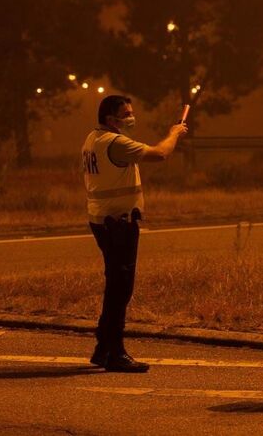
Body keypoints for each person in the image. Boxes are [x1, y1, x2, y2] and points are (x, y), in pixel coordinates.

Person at [82, 95, 188, 372]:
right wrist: (174, 133)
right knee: (121, 288)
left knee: (114, 285)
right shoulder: (115, 143)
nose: (131, 117)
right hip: (118, 223)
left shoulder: (92, 139)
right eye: (126, 114)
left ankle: (103, 348)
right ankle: (115, 352)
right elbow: (160, 154)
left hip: (102, 220)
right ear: (110, 119)